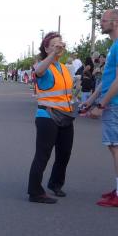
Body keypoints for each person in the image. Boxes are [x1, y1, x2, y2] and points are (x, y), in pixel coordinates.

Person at [86, 9, 118, 207]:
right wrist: (91, 100)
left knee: (117, 145)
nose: (101, 23)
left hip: (117, 102)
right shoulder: (116, 44)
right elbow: (108, 79)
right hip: (115, 102)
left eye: (104, 20)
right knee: (114, 145)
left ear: (116, 22)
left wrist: (101, 104)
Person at [27, 32, 75, 204]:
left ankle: (55, 183)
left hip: (66, 115)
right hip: (47, 116)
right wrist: (53, 54)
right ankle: (35, 192)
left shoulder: (64, 68)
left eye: (60, 43)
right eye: (54, 45)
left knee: (64, 153)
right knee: (43, 155)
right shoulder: (42, 65)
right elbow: (38, 71)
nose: (59, 46)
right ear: (46, 49)